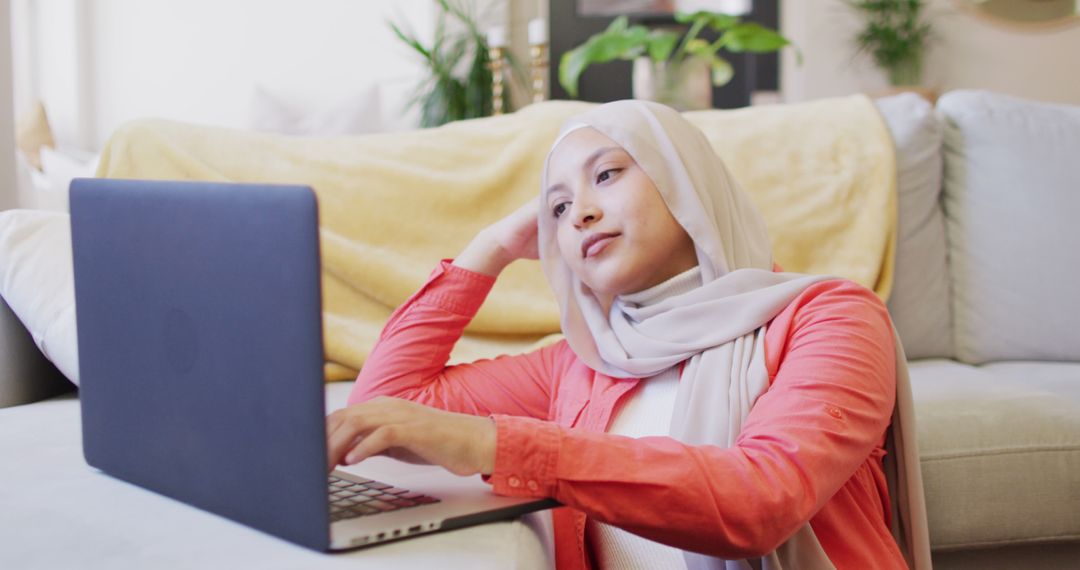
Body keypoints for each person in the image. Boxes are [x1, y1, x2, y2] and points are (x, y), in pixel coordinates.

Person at [326, 100, 930, 569]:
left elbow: (762, 499)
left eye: (607, 175)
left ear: (685, 179)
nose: (580, 213)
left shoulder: (830, 317)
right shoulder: (583, 362)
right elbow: (385, 407)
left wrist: (496, 444)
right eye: (557, 209)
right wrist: (491, 247)